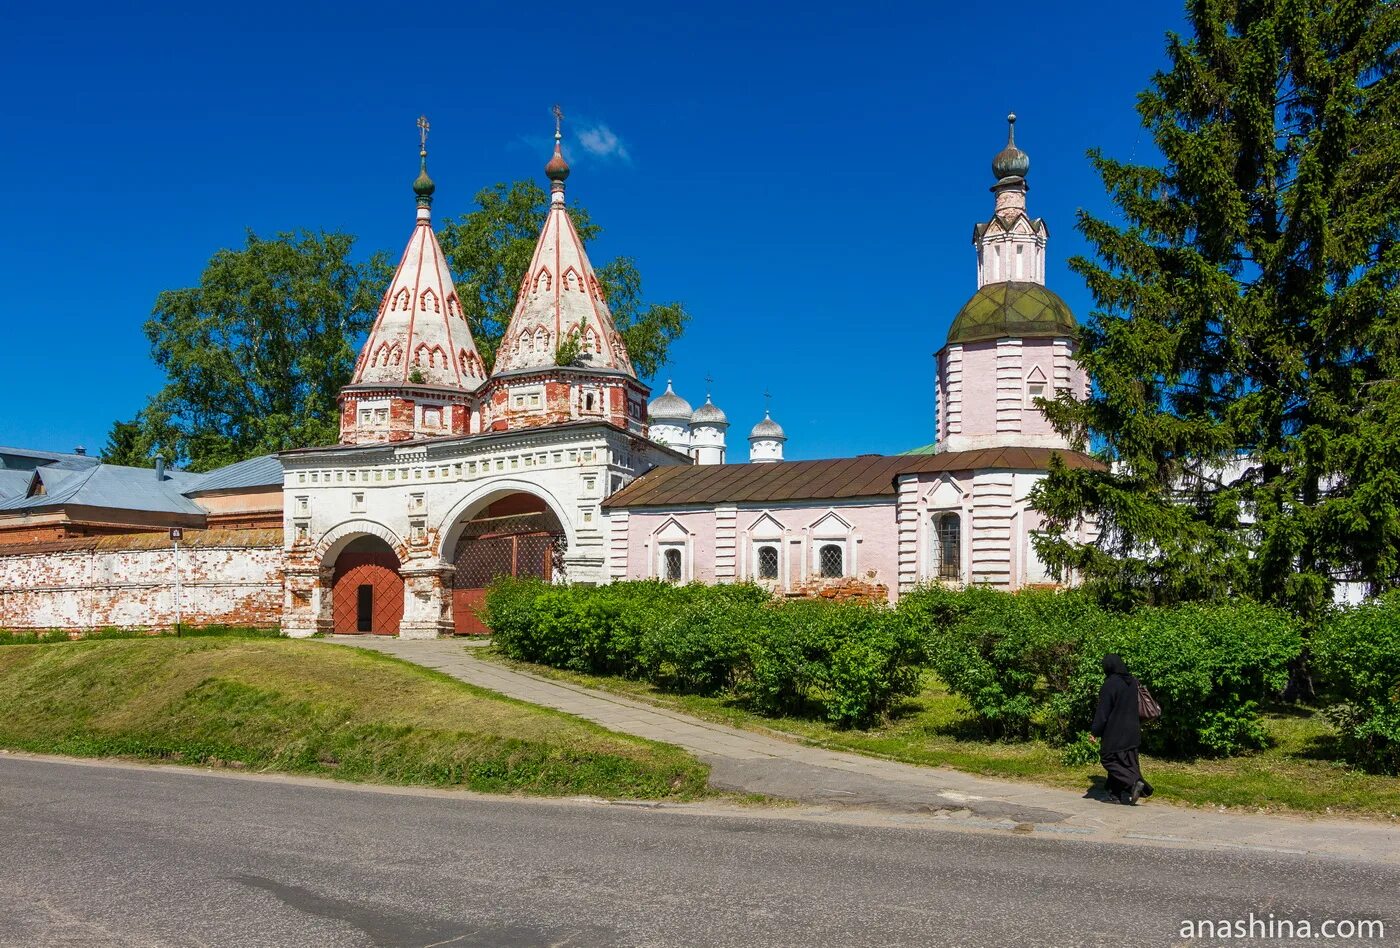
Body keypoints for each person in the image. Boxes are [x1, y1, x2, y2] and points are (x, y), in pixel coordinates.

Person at [1089, 653, 1153, 804]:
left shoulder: (1110, 684)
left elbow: (1103, 712)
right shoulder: (1132, 681)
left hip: (1115, 731)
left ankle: (1134, 783)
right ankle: (1115, 795)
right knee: (1126, 761)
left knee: (1108, 758)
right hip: (1133, 730)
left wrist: (1095, 732)